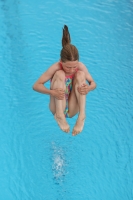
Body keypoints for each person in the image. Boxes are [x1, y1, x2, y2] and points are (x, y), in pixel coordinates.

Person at [33, 25, 96, 136]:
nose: (72, 70)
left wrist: (89, 88)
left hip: (73, 108)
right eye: (68, 67)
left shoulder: (80, 67)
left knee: (81, 75)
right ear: (61, 61)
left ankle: (82, 116)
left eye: (74, 66)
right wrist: (52, 92)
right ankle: (60, 116)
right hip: (57, 107)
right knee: (60, 74)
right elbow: (36, 85)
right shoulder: (56, 67)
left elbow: (93, 83)